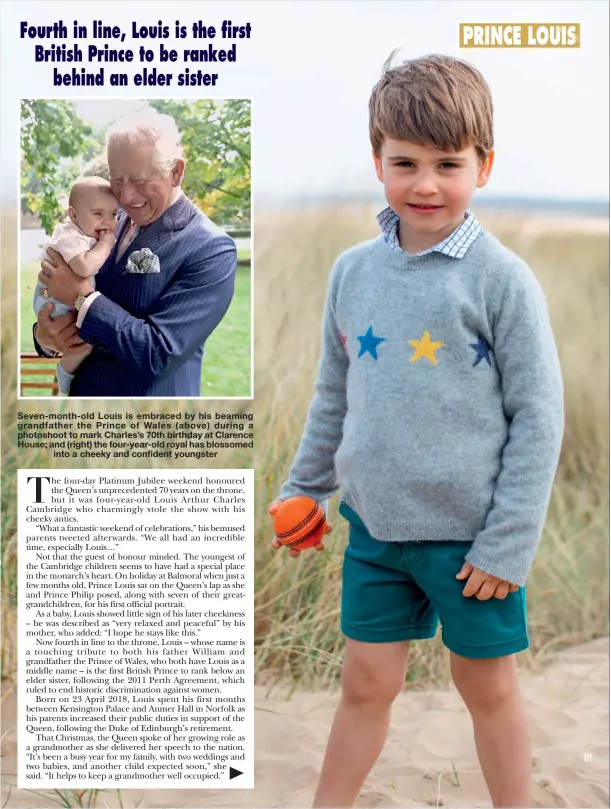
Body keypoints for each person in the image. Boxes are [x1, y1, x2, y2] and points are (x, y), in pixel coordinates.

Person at [270, 54, 564, 808]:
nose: (425, 184)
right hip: (374, 527)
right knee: (365, 681)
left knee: (486, 684)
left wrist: (507, 542)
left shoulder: (500, 280)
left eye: (447, 163)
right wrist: (303, 486)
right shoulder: (351, 272)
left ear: (483, 165)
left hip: (472, 543)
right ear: (377, 162)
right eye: (404, 163)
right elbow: (332, 393)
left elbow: (538, 416)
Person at [34, 109, 237, 397]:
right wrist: (46, 337)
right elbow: (60, 306)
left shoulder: (211, 249)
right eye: (117, 179)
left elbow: (159, 354)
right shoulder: (104, 222)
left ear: (176, 172)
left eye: (140, 180)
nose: (126, 196)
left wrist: (82, 297)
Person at [33, 176, 118, 394]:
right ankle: (65, 377)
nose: (108, 222)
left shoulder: (86, 231)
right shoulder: (70, 237)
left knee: (83, 343)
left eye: (113, 214)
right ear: (73, 214)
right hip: (56, 304)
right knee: (82, 342)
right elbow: (84, 267)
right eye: (98, 214)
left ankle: (65, 376)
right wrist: (106, 244)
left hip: (65, 302)